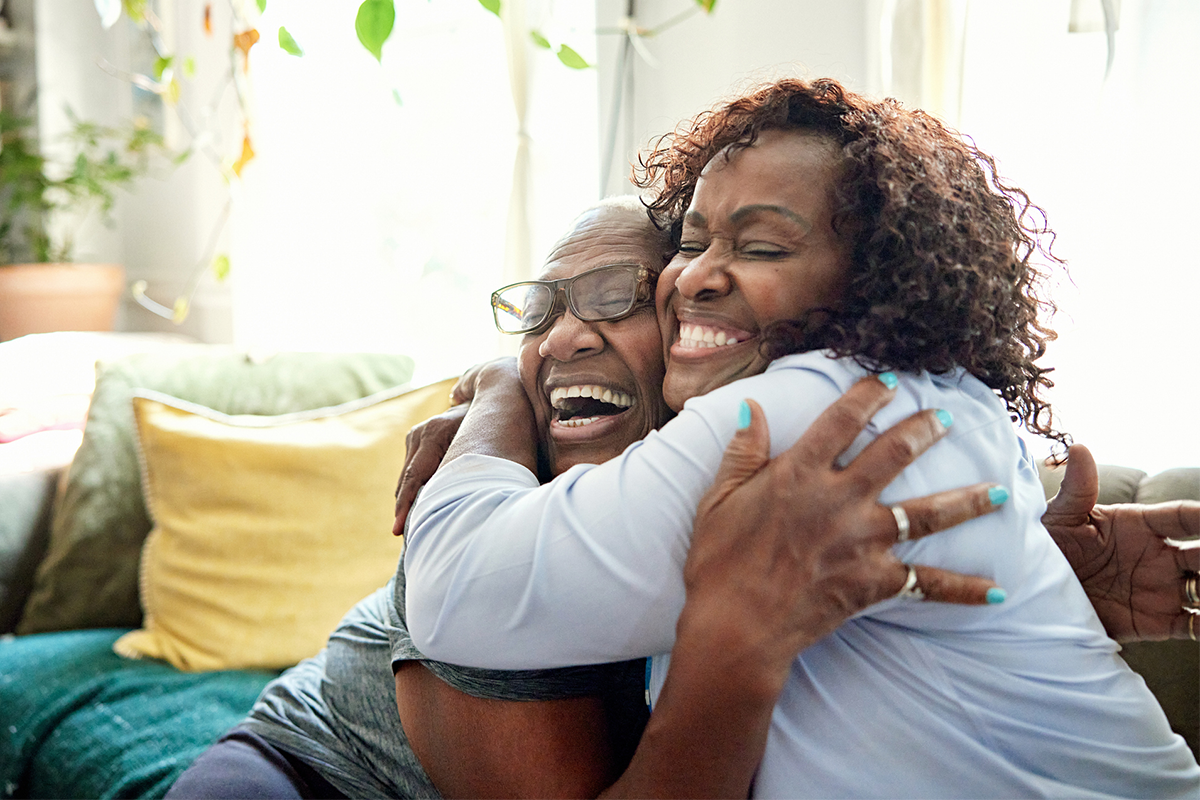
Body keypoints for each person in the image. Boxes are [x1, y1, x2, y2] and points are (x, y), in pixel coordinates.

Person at [401, 79, 1200, 798]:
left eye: (761, 248)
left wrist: (498, 386)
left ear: (873, 282)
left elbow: (454, 590)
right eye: (690, 242)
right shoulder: (938, 402)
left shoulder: (801, 419)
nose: (696, 277)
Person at [167, 198, 1012, 799]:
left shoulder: (782, 462)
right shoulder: (492, 535)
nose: (564, 337)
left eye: (617, 296)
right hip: (306, 774)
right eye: (540, 314)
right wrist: (500, 386)